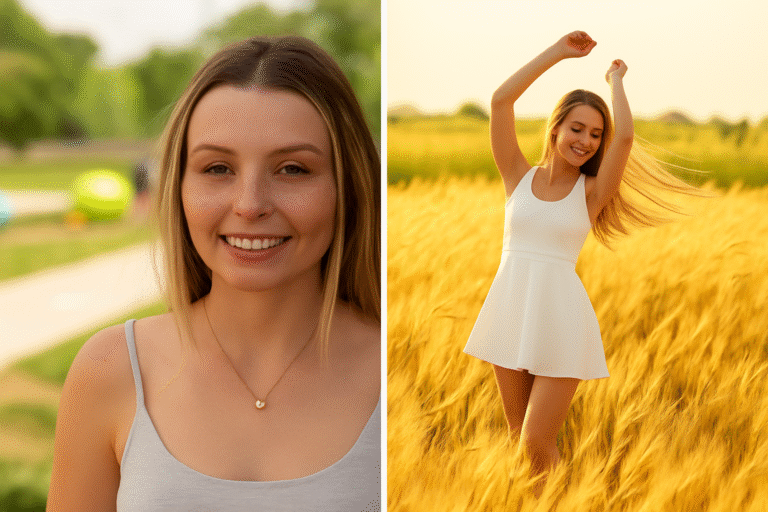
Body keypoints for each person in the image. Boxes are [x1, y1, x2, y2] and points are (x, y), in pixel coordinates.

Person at [48, 35, 381, 511]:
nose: (249, 205)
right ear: (179, 186)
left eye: (292, 169)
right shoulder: (111, 372)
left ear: (347, 185)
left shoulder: (395, 372)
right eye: (218, 168)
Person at [462, 31, 702, 495]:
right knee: (520, 442)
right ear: (555, 128)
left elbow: (627, 138)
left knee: (537, 439)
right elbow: (500, 101)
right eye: (578, 129)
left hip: (562, 320)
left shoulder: (589, 195)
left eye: (595, 134)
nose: (587, 141)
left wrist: (615, 80)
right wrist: (557, 53)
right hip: (510, 310)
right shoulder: (517, 174)